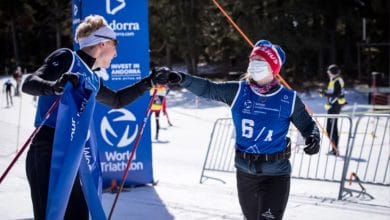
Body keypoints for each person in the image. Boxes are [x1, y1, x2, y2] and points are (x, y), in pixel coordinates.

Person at [21, 14, 169, 220]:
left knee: (79, 215)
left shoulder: (91, 78)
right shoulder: (68, 58)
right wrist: (55, 86)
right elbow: (29, 83)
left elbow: (117, 100)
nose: (116, 53)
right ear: (102, 44)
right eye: (115, 45)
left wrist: (149, 82)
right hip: (47, 149)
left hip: (72, 156)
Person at [161, 39, 320, 220]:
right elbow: (208, 88)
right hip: (245, 173)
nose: (253, 65)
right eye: (252, 60)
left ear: (273, 67)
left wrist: (313, 138)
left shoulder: (288, 98)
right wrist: (182, 78)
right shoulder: (238, 91)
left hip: (275, 174)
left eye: (260, 62)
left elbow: (307, 125)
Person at [319, 64, 347, 155]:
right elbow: (332, 92)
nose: (328, 73)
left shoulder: (338, 81)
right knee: (329, 128)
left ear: (333, 72)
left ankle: (335, 149)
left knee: (332, 128)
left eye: (329, 72)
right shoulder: (333, 80)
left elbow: (336, 94)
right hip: (332, 106)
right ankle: (334, 148)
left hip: (335, 106)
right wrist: (324, 92)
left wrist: (325, 94)